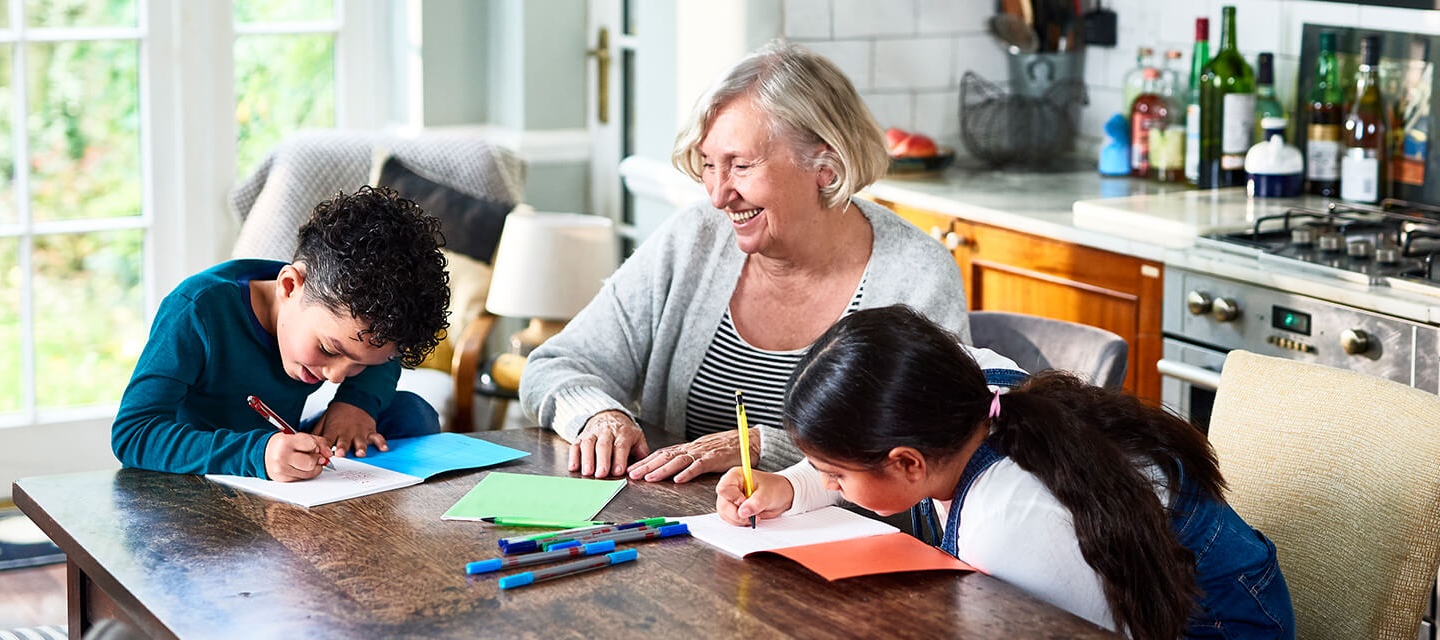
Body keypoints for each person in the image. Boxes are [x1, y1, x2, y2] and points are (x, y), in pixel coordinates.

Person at [518, 41, 968, 481]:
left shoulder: (918, 275)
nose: (717, 196)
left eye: (741, 166)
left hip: (841, 548)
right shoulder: (694, 237)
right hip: (676, 536)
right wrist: (600, 415)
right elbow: (554, 364)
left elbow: (935, 450)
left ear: (825, 167)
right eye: (709, 164)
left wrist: (759, 447)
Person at [717, 305, 1295, 640]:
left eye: (834, 476)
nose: (832, 486)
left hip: (1221, 619)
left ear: (907, 463)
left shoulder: (1012, 524)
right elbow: (860, 453)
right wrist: (791, 485)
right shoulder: (964, 387)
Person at [112, 186, 452, 482]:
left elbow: (379, 357)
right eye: (328, 349)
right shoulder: (198, 310)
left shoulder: (343, 318)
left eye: (357, 364)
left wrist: (355, 402)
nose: (335, 377)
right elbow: (133, 434)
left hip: (285, 455)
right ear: (289, 286)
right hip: (203, 474)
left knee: (410, 412)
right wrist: (257, 454)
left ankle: (360, 512)